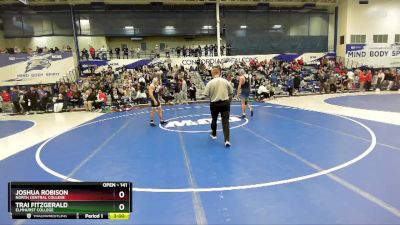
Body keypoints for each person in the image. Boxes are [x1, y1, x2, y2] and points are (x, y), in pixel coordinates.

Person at [204, 65, 233, 147]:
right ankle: (227, 140)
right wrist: (228, 101)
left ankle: (214, 134)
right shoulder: (225, 81)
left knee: (214, 119)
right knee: (225, 122)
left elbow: (206, 95)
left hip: (214, 104)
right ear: (220, 72)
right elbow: (231, 92)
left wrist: (213, 95)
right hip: (225, 103)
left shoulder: (210, 83)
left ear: (212, 73)